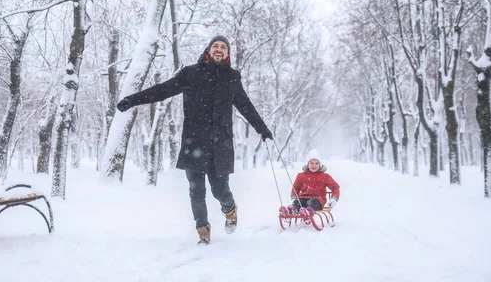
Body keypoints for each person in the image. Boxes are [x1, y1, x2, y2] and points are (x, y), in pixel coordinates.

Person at [117, 35, 273, 244]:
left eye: (223, 47)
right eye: (215, 46)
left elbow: (246, 107)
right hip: (194, 143)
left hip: (220, 145)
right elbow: (162, 90)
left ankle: (230, 209)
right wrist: (132, 100)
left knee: (220, 190)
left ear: (227, 54)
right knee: (196, 190)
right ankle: (203, 230)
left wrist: (263, 130)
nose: (219, 49)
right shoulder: (191, 73)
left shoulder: (232, 78)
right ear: (208, 50)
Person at [280, 149, 340, 217]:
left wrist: (334, 198)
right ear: (307, 164)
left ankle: (308, 213)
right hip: (303, 198)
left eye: (316, 163)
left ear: (320, 165)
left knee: (312, 203)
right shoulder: (301, 176)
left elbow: (335, 187)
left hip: (318, 199)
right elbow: (295, 187)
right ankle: (291, 210)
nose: (314, 165)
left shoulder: (324, 176)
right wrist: (294, 196)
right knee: (298, 202)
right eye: (311, 163)